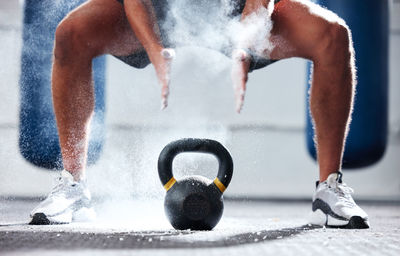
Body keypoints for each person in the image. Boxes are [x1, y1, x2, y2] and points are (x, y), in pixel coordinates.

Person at [30, 0, 369, 229]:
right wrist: (154, 49)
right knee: (71, 34)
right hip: (156, 12)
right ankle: (74, 187)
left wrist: (245, 45)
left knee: (333, 35)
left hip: (236, 15)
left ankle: (329, 188)